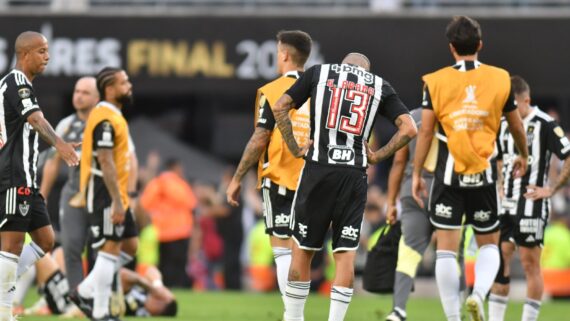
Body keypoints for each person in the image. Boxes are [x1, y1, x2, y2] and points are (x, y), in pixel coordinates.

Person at [273, 53, 416, 321]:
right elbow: (409, 129)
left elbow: (281, 106)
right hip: (354, 175)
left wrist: (294, 147)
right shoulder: (379, 85)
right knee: (344, 255)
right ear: (366, 69)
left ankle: (293, 318)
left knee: (303, 250)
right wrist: (378, 155)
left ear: (342, 64)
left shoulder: (319, 73)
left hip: (318, 170)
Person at [411, 16, 529, 321]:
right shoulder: (501, 78)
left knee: (446, 250)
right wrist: (523, 154)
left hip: (448, 173)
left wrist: (416, 173)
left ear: (451, 48)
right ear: (479, 45)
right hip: (485, 173)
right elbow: (516, 126)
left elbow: (425, 132)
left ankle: (453, 317)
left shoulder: (434, 81)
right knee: (489, 242)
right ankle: (478, 295)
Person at [226, 30, 312, 299]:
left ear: (285, 55)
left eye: (277, 53)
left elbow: (260, 137)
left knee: (283, 250)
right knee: (304, 252)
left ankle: (292, 315)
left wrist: (238, 178)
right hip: (313, 180)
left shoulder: (272, 90)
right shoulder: (319, 91)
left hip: (280, 178)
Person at [0, 31, 80, 321]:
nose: (47, 56)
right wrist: (60, 145)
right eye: (41, 51)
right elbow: (35, 119)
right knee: (11, 246)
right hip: (14, 176)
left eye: (48, 51)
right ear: (24, 55)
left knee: (45, 241)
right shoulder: (16, 81)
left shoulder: (19, 85)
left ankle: (1, 290)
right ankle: (4, 312)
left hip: (27, 180)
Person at [489, 76, 570, 321]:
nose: (511, 111)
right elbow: (500, 157)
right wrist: (501, 185)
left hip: (532, 202)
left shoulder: (546, 123)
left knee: (528, 262)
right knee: (499, 258)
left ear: (527, 100)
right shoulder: (502, 123)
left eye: (515, 105)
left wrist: (551, 189)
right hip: (505, 203)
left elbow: (568, 155)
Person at [69, 67, 139, 321]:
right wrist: (118, 202)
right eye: (124, 82)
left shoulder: (113, 115)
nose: (129, 85)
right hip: (105, 192)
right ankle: (98, 310)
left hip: (116, 192)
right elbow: (105, 161)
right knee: (110, 250)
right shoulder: (105, 119)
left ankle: (86, 290)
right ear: (110, 89)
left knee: (130, 246)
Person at [40, 76, 99, 291]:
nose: (79, 96)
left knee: (99, 250)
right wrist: (42, 196)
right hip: (74, 192)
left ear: (97, 97)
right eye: (76, 91)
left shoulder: (107, 121)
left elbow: (129, 159)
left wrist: (128, 193)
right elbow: (52, 163)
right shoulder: (66, 124)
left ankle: (99, 297)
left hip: (101, 193)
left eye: (85, 93)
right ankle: (78, 298)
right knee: (71, 246)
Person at [384, 108, 434, 321]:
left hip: (410, 190)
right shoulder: (451, 112)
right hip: (445, 190)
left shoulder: (412, 117)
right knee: (452, 253)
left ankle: (399, 309)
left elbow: (398, 161)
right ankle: (456, 311)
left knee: (408, 252)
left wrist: (391, 202)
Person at [140, 158, 197, 288]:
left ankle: (165, 289)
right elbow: (192, 205)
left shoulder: (158, 183)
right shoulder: (181, 184)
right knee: (179, 265)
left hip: (163, 231)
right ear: (175, 168)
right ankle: (181, 289)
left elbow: (145, 204)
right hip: (182, 231)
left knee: (165, 264)